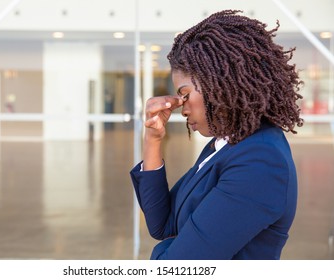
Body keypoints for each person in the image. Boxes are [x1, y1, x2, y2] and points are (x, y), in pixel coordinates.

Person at [130, 10, 304, 260]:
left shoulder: (260, 161)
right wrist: (153, 139)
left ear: (220, 84)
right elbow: (163, 225)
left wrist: (163, 250)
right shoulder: (225, 144)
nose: (182, 106)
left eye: (185, 94)